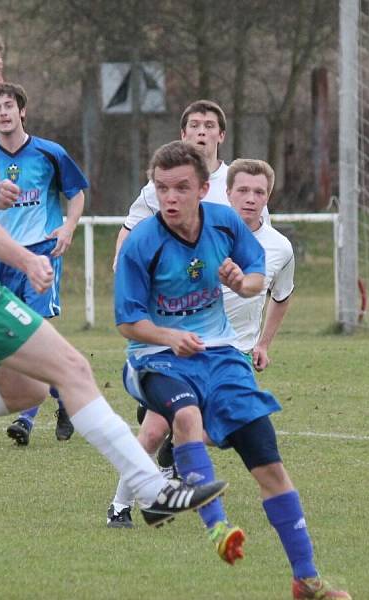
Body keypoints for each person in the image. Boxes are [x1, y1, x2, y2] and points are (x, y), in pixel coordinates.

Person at [0, 22, 227, 528]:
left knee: (28, 391)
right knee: (74, 369)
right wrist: (28, 259)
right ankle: (152, 489)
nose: (1, 81)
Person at [112, 145, 351, 599]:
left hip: (222, 358)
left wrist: (244, 283)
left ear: (204, 189)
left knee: (271, 467)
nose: (171, 198)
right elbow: (127, 321)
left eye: (182, 187)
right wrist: (168, 336)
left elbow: (261, 276)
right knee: (184, 418)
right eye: (162, 188)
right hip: (154, 357)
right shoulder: (142, 243)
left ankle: (307, 580)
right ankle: (217, 528)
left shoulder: (224, 223)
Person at [108, 156, 296, 519]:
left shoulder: (279, 247)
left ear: (269, 197)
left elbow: (280, 295)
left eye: (259, 192)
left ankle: (175, 453)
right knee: (152, 432)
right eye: (242, 190)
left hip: (232, 354)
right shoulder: (201, 228)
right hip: (176, 353)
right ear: (226, 192)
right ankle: (120, 506)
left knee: (220, 432)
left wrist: (263, 342)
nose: (250, 199)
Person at [0, 82, 87, 446]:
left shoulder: (50, 153)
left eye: (9, 105)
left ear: (22, 111)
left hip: (43, 252)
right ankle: (66, 398)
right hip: (5, 256)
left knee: (30, 333)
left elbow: (76, 194)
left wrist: (68, 227)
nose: (3, 112)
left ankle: (26, 419)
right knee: (19, 337)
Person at [112, 99, 269, 270]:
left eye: (209, 126)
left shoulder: (243, 184)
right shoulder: (163, 184)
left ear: (221, 135)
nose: (201, 132)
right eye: (194, 126)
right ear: (183, 134)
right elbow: (130, 230)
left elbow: (264, 240)